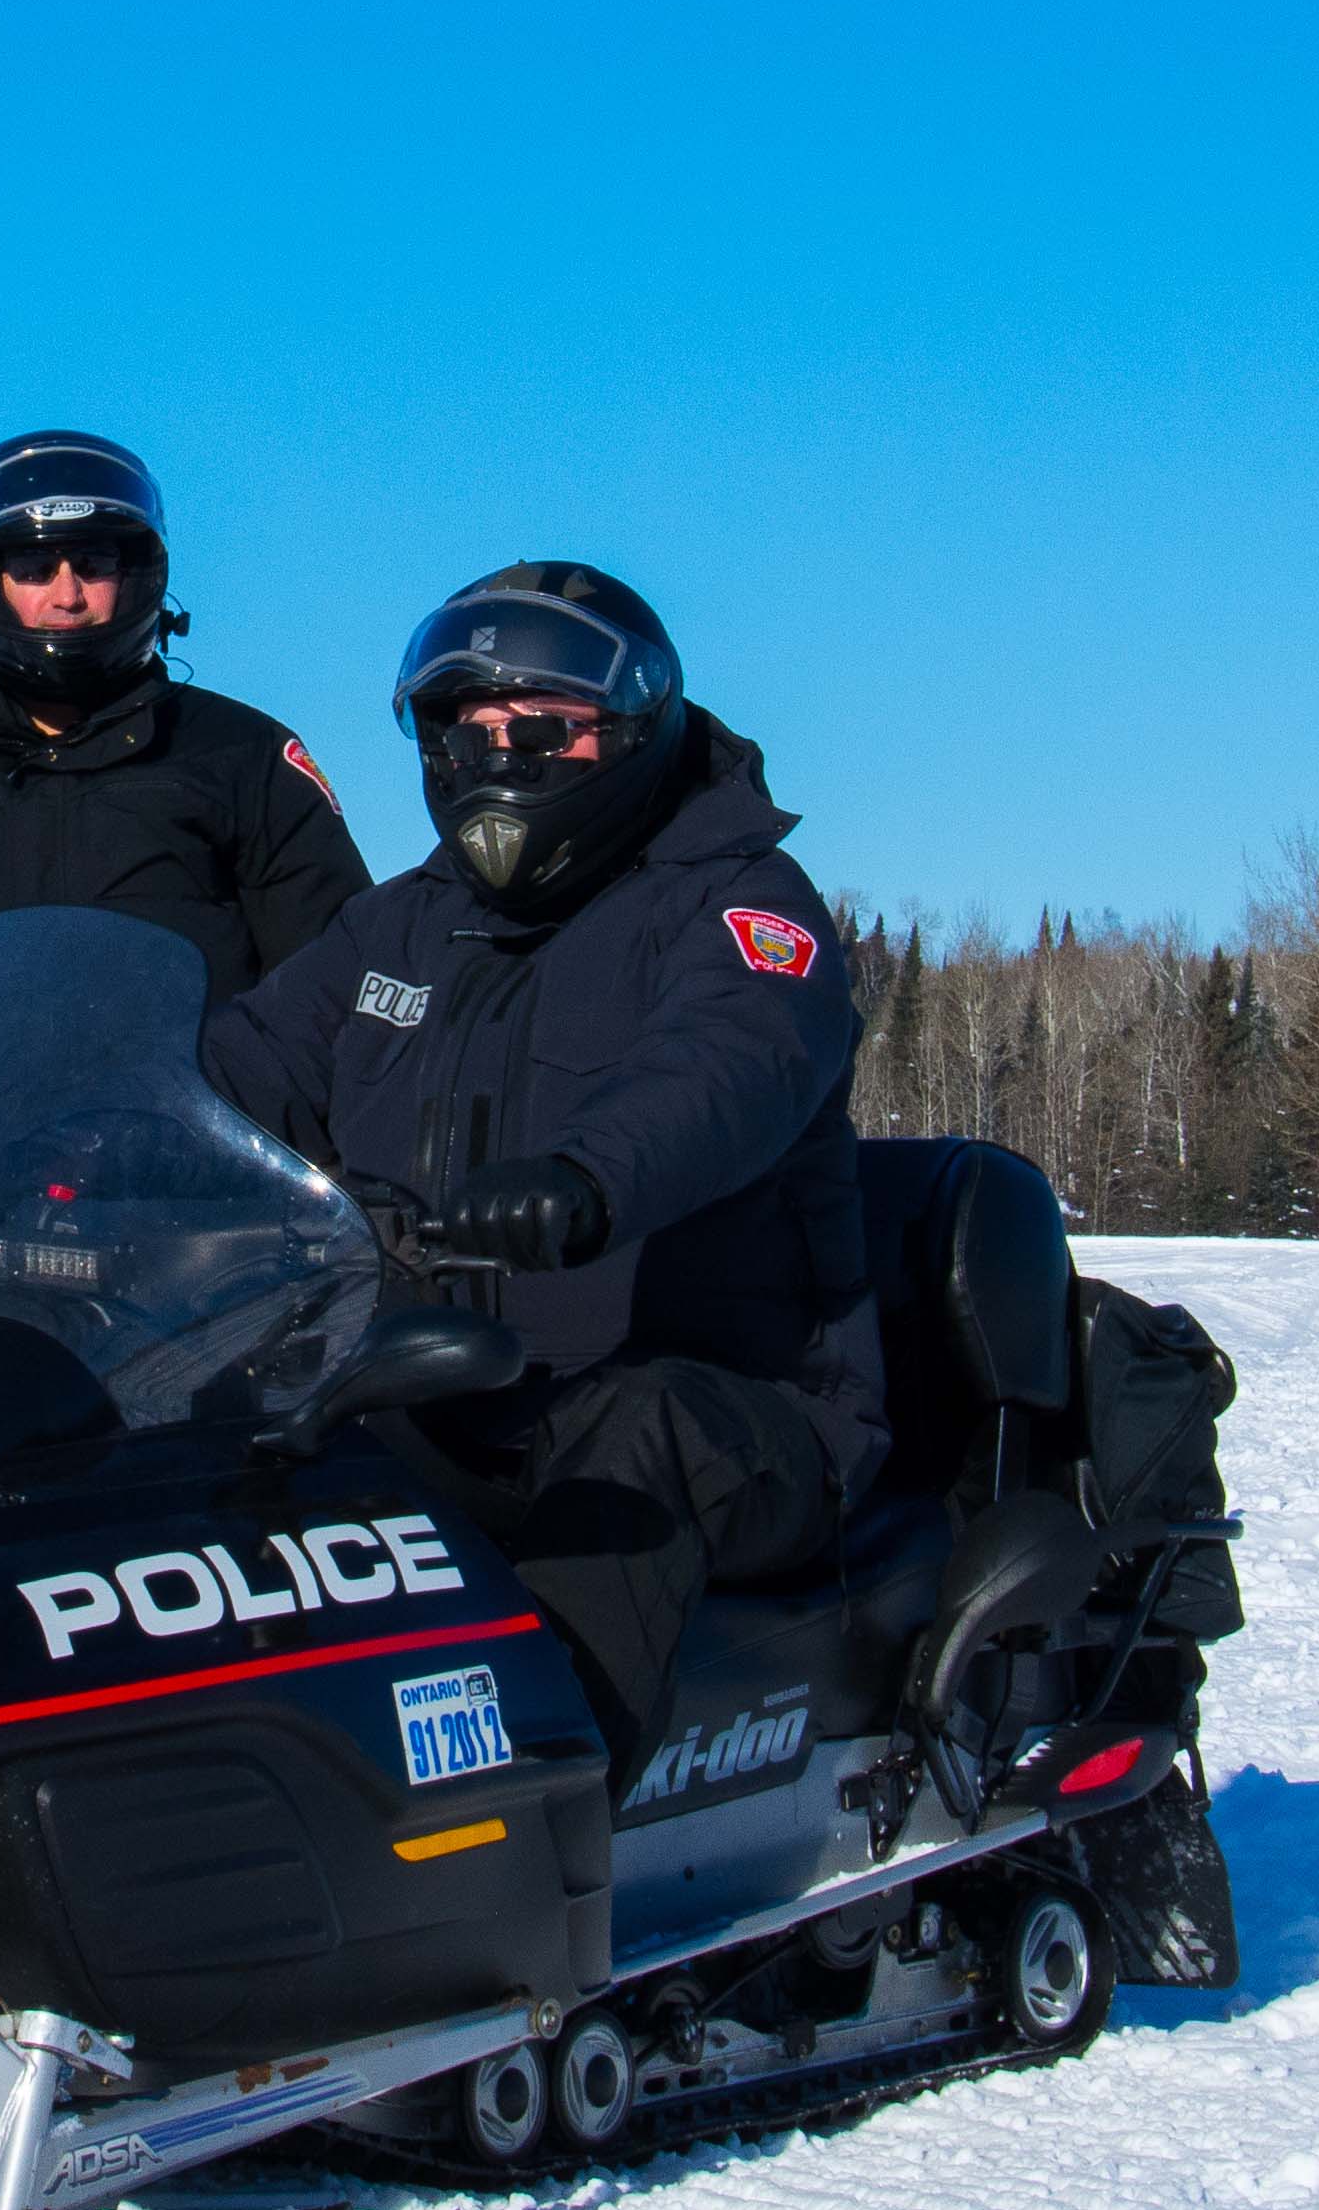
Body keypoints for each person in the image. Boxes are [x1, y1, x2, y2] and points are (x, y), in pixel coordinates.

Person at [199, 560, 873, 1758]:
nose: (498, 758)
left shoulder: (741, 905)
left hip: (737, 1409)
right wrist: (64, 1154)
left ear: (631, 733)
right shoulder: (399, 923)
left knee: (635, 1435)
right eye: (470, 727)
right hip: (460, 1389)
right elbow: (234, 1066)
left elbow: (731, 1065)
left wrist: (585, 1178)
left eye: (543, 730)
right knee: (229, 1442)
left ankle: (538, 1839)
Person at [0, 431, 376, 1141]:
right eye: (34, 565)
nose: (68, 595)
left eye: (95, 562)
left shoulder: (243, 757)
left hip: (198, 1197)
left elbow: (334, 986)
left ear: (138, 572)